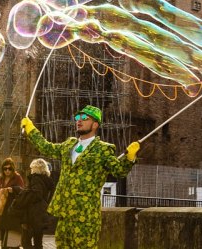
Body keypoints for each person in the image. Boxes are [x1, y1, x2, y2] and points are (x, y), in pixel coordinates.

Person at [21, 105, 139, 249]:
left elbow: (119, 171)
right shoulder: (69, 144)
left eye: (85, 118)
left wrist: (130, 158)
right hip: (64, 213)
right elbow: (46, 147)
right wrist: (31, 130)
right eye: (78, 117)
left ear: (95, 124)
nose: (79, 120)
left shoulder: (103, 149)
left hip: (86, 215)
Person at [20, 158, 55, 249]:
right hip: (42, 212)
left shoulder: (35, 179)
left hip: (32, 213)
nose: (31, 170)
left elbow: (36, 194)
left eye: (32, 168)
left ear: (36, 168)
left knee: (25, 241)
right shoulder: (48, 180)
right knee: (38, 240)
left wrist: (25, 196)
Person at [0, 157, 24, 248]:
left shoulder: (17, 177)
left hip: (12, 210)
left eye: (9, 168)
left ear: (13, 169)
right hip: (1, 209)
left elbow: (22, 191)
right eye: (5, 169)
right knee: (3, 232)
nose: (7, 171)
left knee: (12, 234)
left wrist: (13, 189)